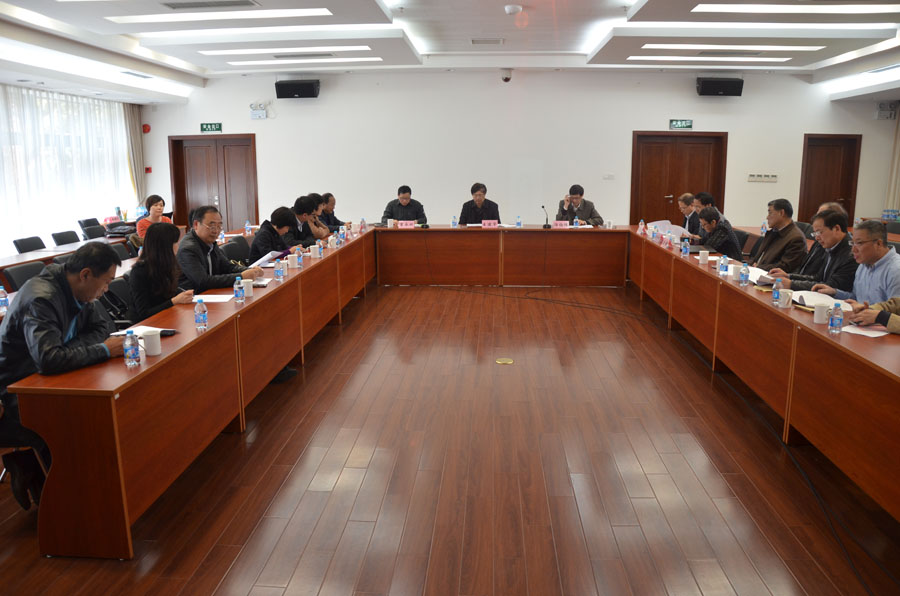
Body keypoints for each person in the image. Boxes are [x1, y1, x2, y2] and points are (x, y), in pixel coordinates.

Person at [0, 243, 124, 509]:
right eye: (106, 282)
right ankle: (66, 509)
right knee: (69, 424)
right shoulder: (42, 298)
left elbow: (103, 327)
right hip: (16, 391)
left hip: (52, 377)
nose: (106, 290)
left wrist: (68, 351)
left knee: (102, 409)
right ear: (86, 274)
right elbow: (48, 359)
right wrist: (102, 350)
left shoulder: (79, 292)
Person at [177, 206, 263, 293]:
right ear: (196, 224)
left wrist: (250, 270)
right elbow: (203, 281)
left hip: (213, 293)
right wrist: (241, 276)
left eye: (219, 226)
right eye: (212, 226)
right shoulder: (188, 249)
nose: (216, 231)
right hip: (194, 296)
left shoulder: (210, 242)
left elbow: (227, 267)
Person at [767, 209, 856, 292]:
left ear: (836, 228)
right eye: (815, 233)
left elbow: (830, 286)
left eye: (819, 232)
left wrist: (792, 284)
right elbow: (818, 278)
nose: (817, 238)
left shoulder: (851, 254)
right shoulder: (831, 246)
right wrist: (788, 276)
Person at [813, 219, 900, 303]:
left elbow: (895, 310)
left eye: (859, 243)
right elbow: (856, 298)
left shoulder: (896, 270)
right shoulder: (863, 265)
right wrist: (834, 292)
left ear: (878, 244)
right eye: (852, 243)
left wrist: (866, 310)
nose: (853, 250)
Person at [129, 223, 194, 320]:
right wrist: (174, 301)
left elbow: (170, 293)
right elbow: (144, 313)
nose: (178, 246)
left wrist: (183, 294)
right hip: (148, 324)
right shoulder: (139, 272)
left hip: (169, 316)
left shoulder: (167, 264)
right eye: (175, 242)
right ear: (165, 246)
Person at [749, 198, 808, 272]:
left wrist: (758, 267)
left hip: (771, 276)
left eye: (770, 213)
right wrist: (748, 265)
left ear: (781, 213)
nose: (767, 217)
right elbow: (758, 257)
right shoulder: (773, 232)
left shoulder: (796, 238)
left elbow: (785, 266)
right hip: (757, 271)